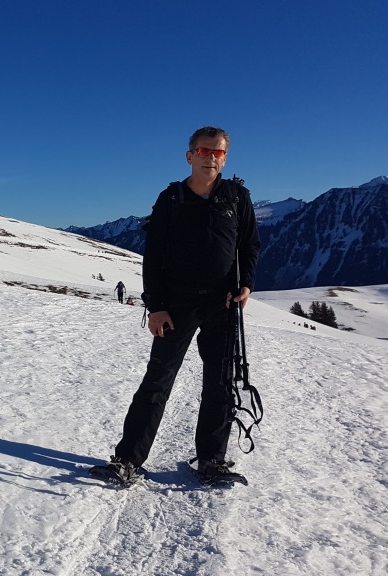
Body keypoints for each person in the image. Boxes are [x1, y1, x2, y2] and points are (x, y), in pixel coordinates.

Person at [98, 126, 261, 484]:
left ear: (225, 158)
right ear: (189, 156)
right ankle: (127, 460)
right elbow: (154, 255)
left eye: (218, 152)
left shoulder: (237, 197)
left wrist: (246, 283)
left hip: (223, 303)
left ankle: (211, 460)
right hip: (176, 304)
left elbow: (249, 245)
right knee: (157, 381)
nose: (211, 158)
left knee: (220, 383)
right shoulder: (171, 198)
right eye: (204, 151)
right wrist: (156, 305)